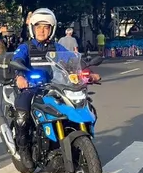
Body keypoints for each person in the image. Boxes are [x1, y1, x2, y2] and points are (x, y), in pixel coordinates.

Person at [11, 9, 99, 165]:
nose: (42, 31)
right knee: (22, 116)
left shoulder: (57, 47)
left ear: (51, 30)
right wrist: (20, 76)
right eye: (38, 27)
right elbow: (17, 60)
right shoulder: (26, 47)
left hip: (55, 87)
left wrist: (87, 73)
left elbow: (72, 61)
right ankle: (24, 150)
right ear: (32, 28)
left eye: (46, 27)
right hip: (31, 88)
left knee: (80, 107)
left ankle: (66, 149)